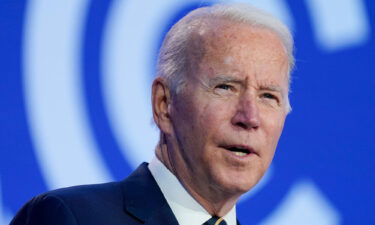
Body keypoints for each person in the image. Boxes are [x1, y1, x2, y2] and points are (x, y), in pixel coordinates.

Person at [10, 3, 294, 225]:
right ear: (164, 104)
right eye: (226, 87)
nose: (250, 117)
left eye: (268, 96)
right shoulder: (70, 217)